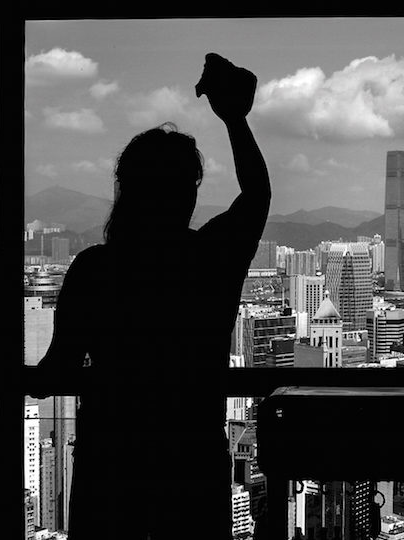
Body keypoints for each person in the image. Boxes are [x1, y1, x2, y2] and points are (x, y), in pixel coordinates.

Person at [35, 53, 270, 539]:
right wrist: (234, 119)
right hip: (192, 463)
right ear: (189, 194)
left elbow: (54, 373)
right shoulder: (209, 261)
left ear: (127, 191)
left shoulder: (95, 269)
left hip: (110, 467)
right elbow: (257, 195)